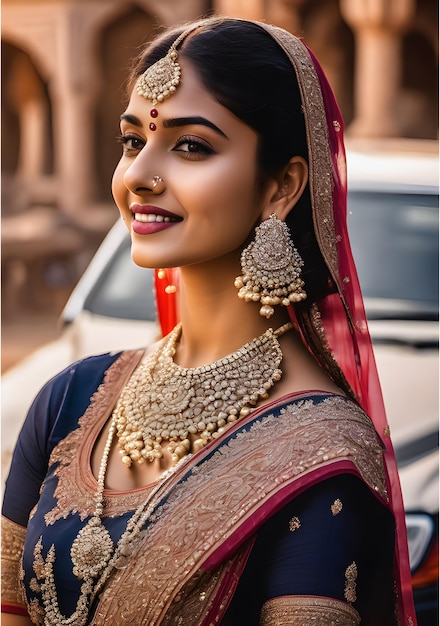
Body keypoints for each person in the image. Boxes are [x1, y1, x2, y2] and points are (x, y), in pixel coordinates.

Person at [1, 16, 417, 625]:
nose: (141, 175)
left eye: (191, 145)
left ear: (281, 186)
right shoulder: (70, 400)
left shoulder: (320, 456)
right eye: (131, 141)